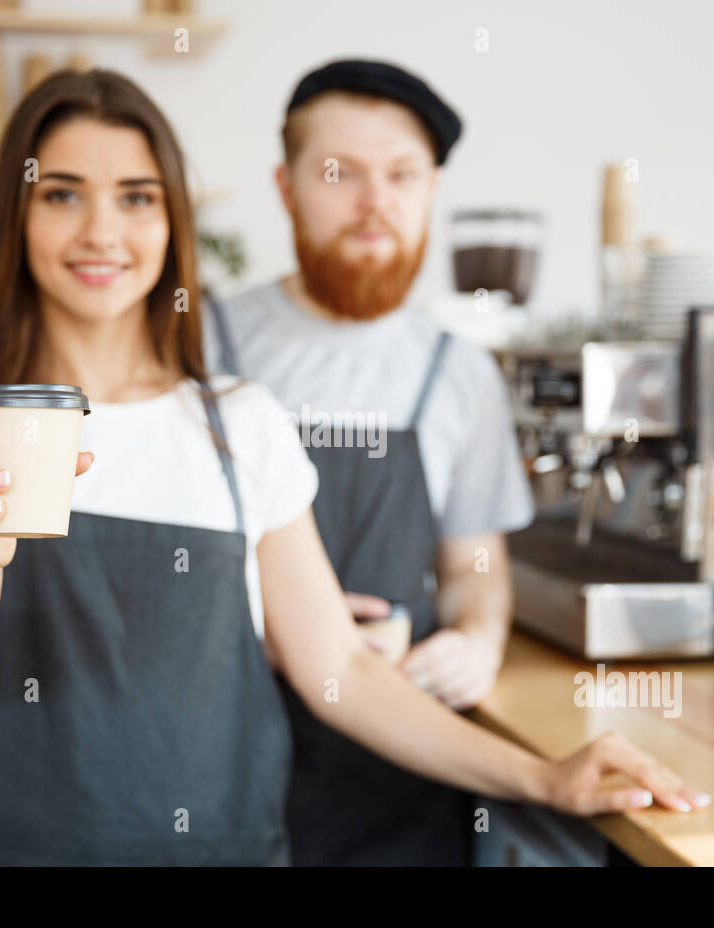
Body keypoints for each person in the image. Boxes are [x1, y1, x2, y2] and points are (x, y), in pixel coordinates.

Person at [0, 69, 709, 866]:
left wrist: (544, 778)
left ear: (172, 224)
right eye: (62, 194)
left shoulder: (240, 420)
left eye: (137, 197)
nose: (102, 231)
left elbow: (337, 669)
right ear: (15, 216)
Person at [203, 59, 542, 865]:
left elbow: (475, 567)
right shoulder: (203, 344)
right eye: (339, 174)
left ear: (429, 190)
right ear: (286, 188)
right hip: (220, 776)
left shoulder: (458, 371)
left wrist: (477, 636)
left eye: (402, 175)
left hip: (402, 783)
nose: (374, 201)